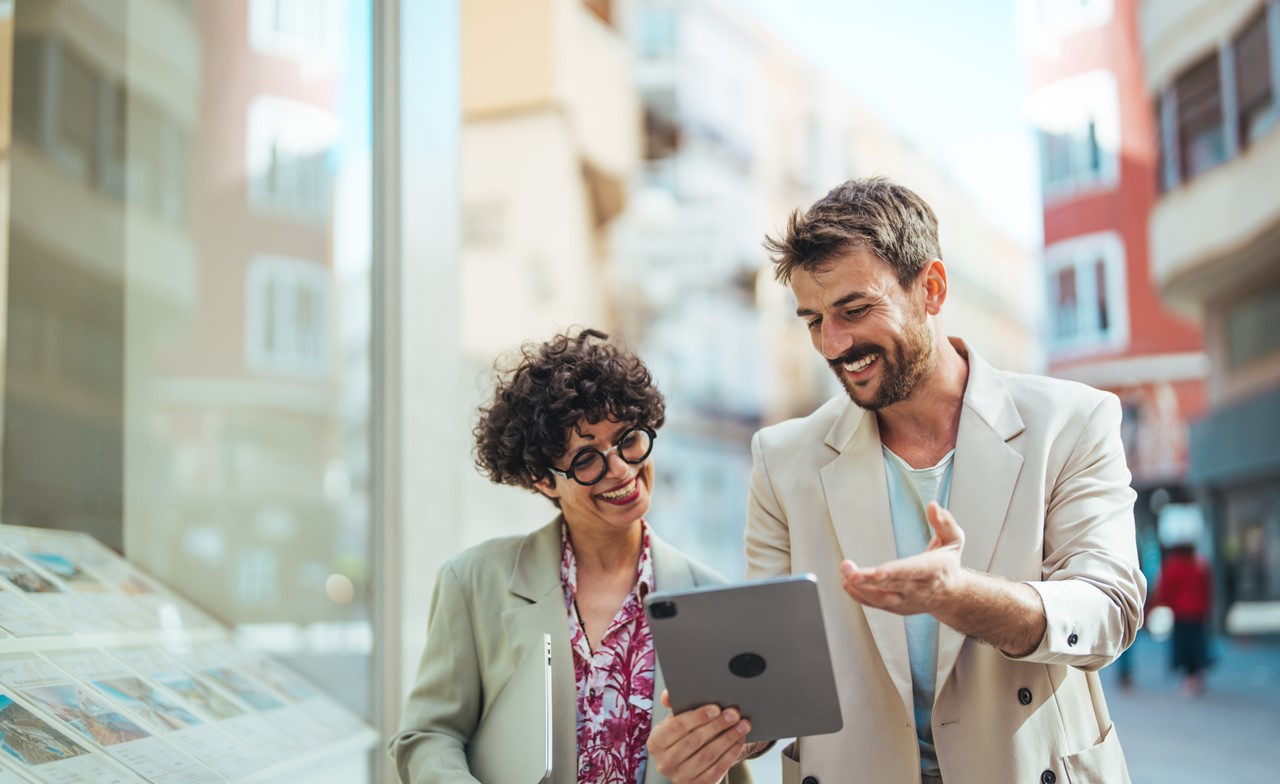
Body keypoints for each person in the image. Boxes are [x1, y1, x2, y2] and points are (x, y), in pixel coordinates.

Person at [648, 178, 1146, 784]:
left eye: (855, 310)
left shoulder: (1072, 421)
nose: (834, 344)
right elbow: (777, 676)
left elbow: (1110, 609)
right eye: (813, 320)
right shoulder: (782, 459)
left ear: (931, 288)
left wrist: (959, 597)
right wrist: (722, 733)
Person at [388, 329, 752, 783]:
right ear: (544, 479)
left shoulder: (714, 598)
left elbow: (748, 736)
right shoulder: (472, 582)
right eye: (586, 459)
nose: (621, 469)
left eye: (629, 440)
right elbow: (427, 735)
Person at [1149, 540, 1213, 695]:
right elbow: (1207, 588)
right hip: (1197, 612)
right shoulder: (1200, 564)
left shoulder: (1173, 565)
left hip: (1181, 613)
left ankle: (1190, 678)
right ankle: (1196, 676)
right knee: (1197, 644)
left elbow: (1166, 589)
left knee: (1184, 646)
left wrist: (1153, 606)